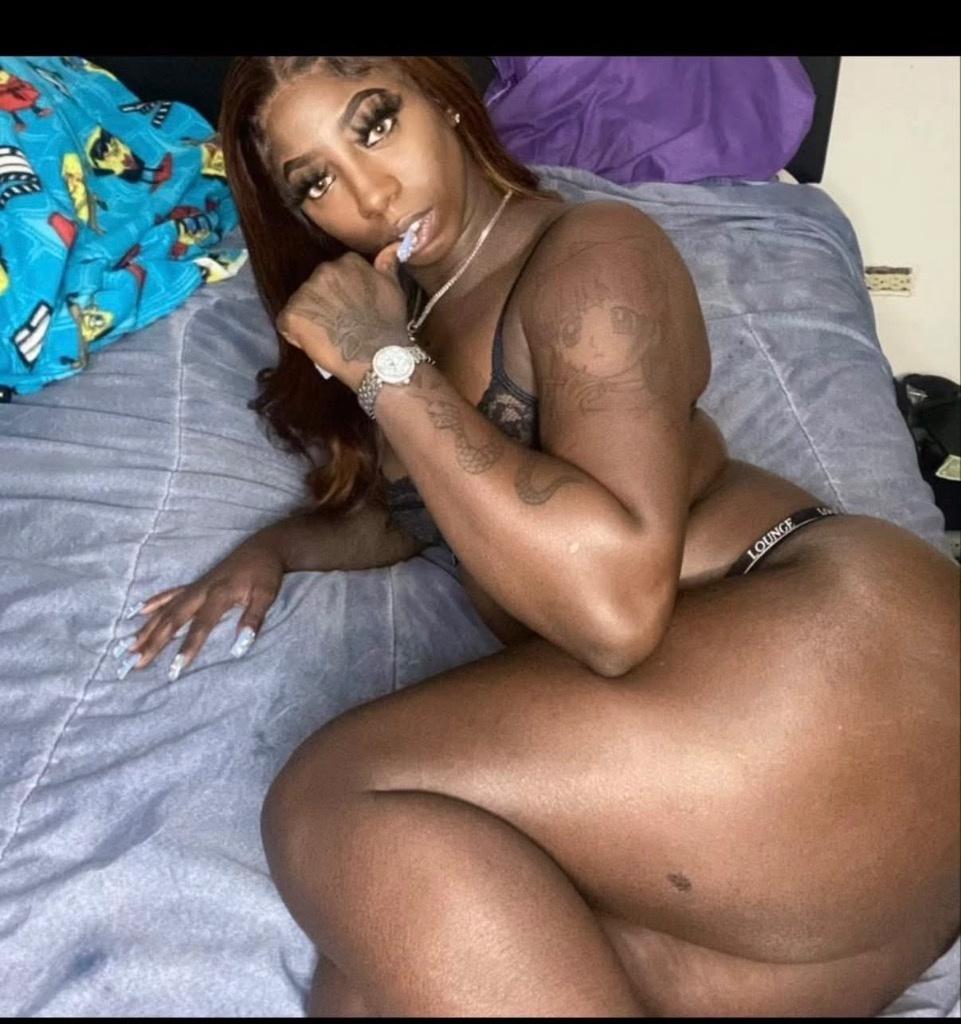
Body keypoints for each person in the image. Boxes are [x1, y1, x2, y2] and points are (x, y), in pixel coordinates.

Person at [117, 57, 959, 1016]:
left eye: (376, 125)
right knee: (375, 971)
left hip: (848, 669)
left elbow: (614, 614)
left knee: (329, 802)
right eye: (316, 183)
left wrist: (380, 362)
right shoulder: (405, 314)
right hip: (827, 868)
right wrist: (274, 549)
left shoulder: (591, 255)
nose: (371, 195)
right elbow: (439, 509)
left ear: (442, 98)